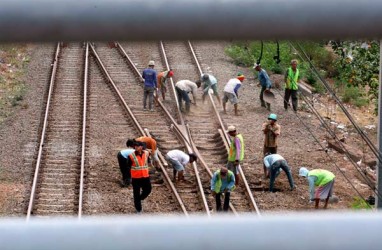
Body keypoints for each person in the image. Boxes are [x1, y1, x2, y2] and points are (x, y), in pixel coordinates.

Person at [126, 141, 152, 213]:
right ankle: (138, 209)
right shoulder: (131, 156)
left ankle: (139, 199)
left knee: (148, 190)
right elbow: (128, 166)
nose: (136, 147)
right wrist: (129, 176)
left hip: (145, 176)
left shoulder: (146, 153)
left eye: (137, 146)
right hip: (136, 178)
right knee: (136, 193)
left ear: (141, 147)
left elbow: (148, 162)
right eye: (135, 146)